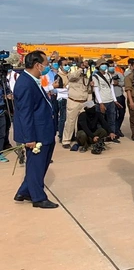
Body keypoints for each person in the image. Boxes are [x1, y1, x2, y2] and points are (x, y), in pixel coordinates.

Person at [12, 51, 59, 208]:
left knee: (37, 165)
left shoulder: (33, 80)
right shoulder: (25, 83)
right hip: (36, 133)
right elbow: (25, 114)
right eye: (46, 64)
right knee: (37, 165)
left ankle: (24, 191)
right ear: (38, 65)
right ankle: (38, 198)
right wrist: (29, 138)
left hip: (44, 129)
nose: (48, 67)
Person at [62, 59, 93, 149]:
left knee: (82, 122)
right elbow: (71, 77)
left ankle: (80, 138)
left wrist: (89, 103)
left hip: (83, 102)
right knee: (70, 122)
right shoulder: (73, 74)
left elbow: (89, 91)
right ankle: (66, 140)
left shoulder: (87, 76)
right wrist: (80, 68)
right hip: (73, 101)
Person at [93, 59, 121, 141]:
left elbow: (111, 88)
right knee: (101, 121)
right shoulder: (95, 76)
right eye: (102, 64)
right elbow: (96, 90)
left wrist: (115, 100)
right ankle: (102, 136)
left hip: (110, 101)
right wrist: (100, 103)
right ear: (98, 66)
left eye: (105, 64)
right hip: (101, 102)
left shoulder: (108, 75)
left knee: (112, 120)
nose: (104, 66)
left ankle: (112, 135)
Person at [108, 60, 126, 138]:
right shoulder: (106, 76)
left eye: (112, 66)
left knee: (122, 114)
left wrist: (117, 83)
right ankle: (115, 131)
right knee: (113, 115)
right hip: (111, 98)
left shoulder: (119, 74)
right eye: (109, 66)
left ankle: (117, 128)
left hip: (119, 96)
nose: (111, 67)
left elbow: (124, 83)